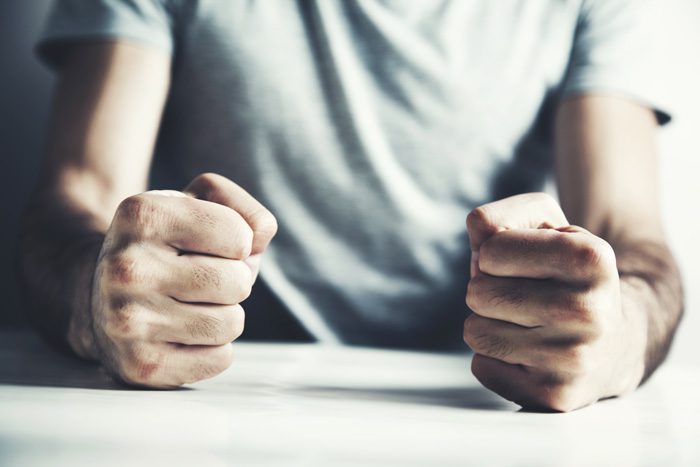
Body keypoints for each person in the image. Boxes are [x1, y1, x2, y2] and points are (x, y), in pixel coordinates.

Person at [18, 0, 683, 412]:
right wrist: (95, 300)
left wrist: (614, 340)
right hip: (202, 401)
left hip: (471, 408)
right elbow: (77, 200)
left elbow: (632, 241)